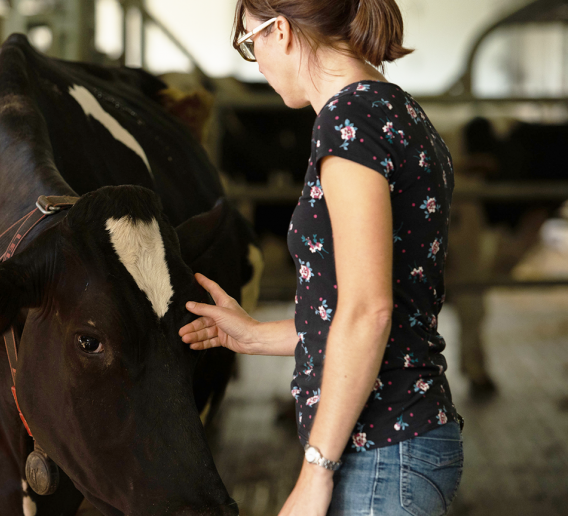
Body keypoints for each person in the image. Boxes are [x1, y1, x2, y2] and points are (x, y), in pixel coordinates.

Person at [179, 1, 465, 514]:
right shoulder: (399, 111)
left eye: (250, 42)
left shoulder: (347, 122)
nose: (257, 63)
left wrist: (316, 470)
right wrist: (252, 334)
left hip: (378, 451)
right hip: (398, 443)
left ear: (281, 31)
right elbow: (369, 309)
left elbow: (368, 311)